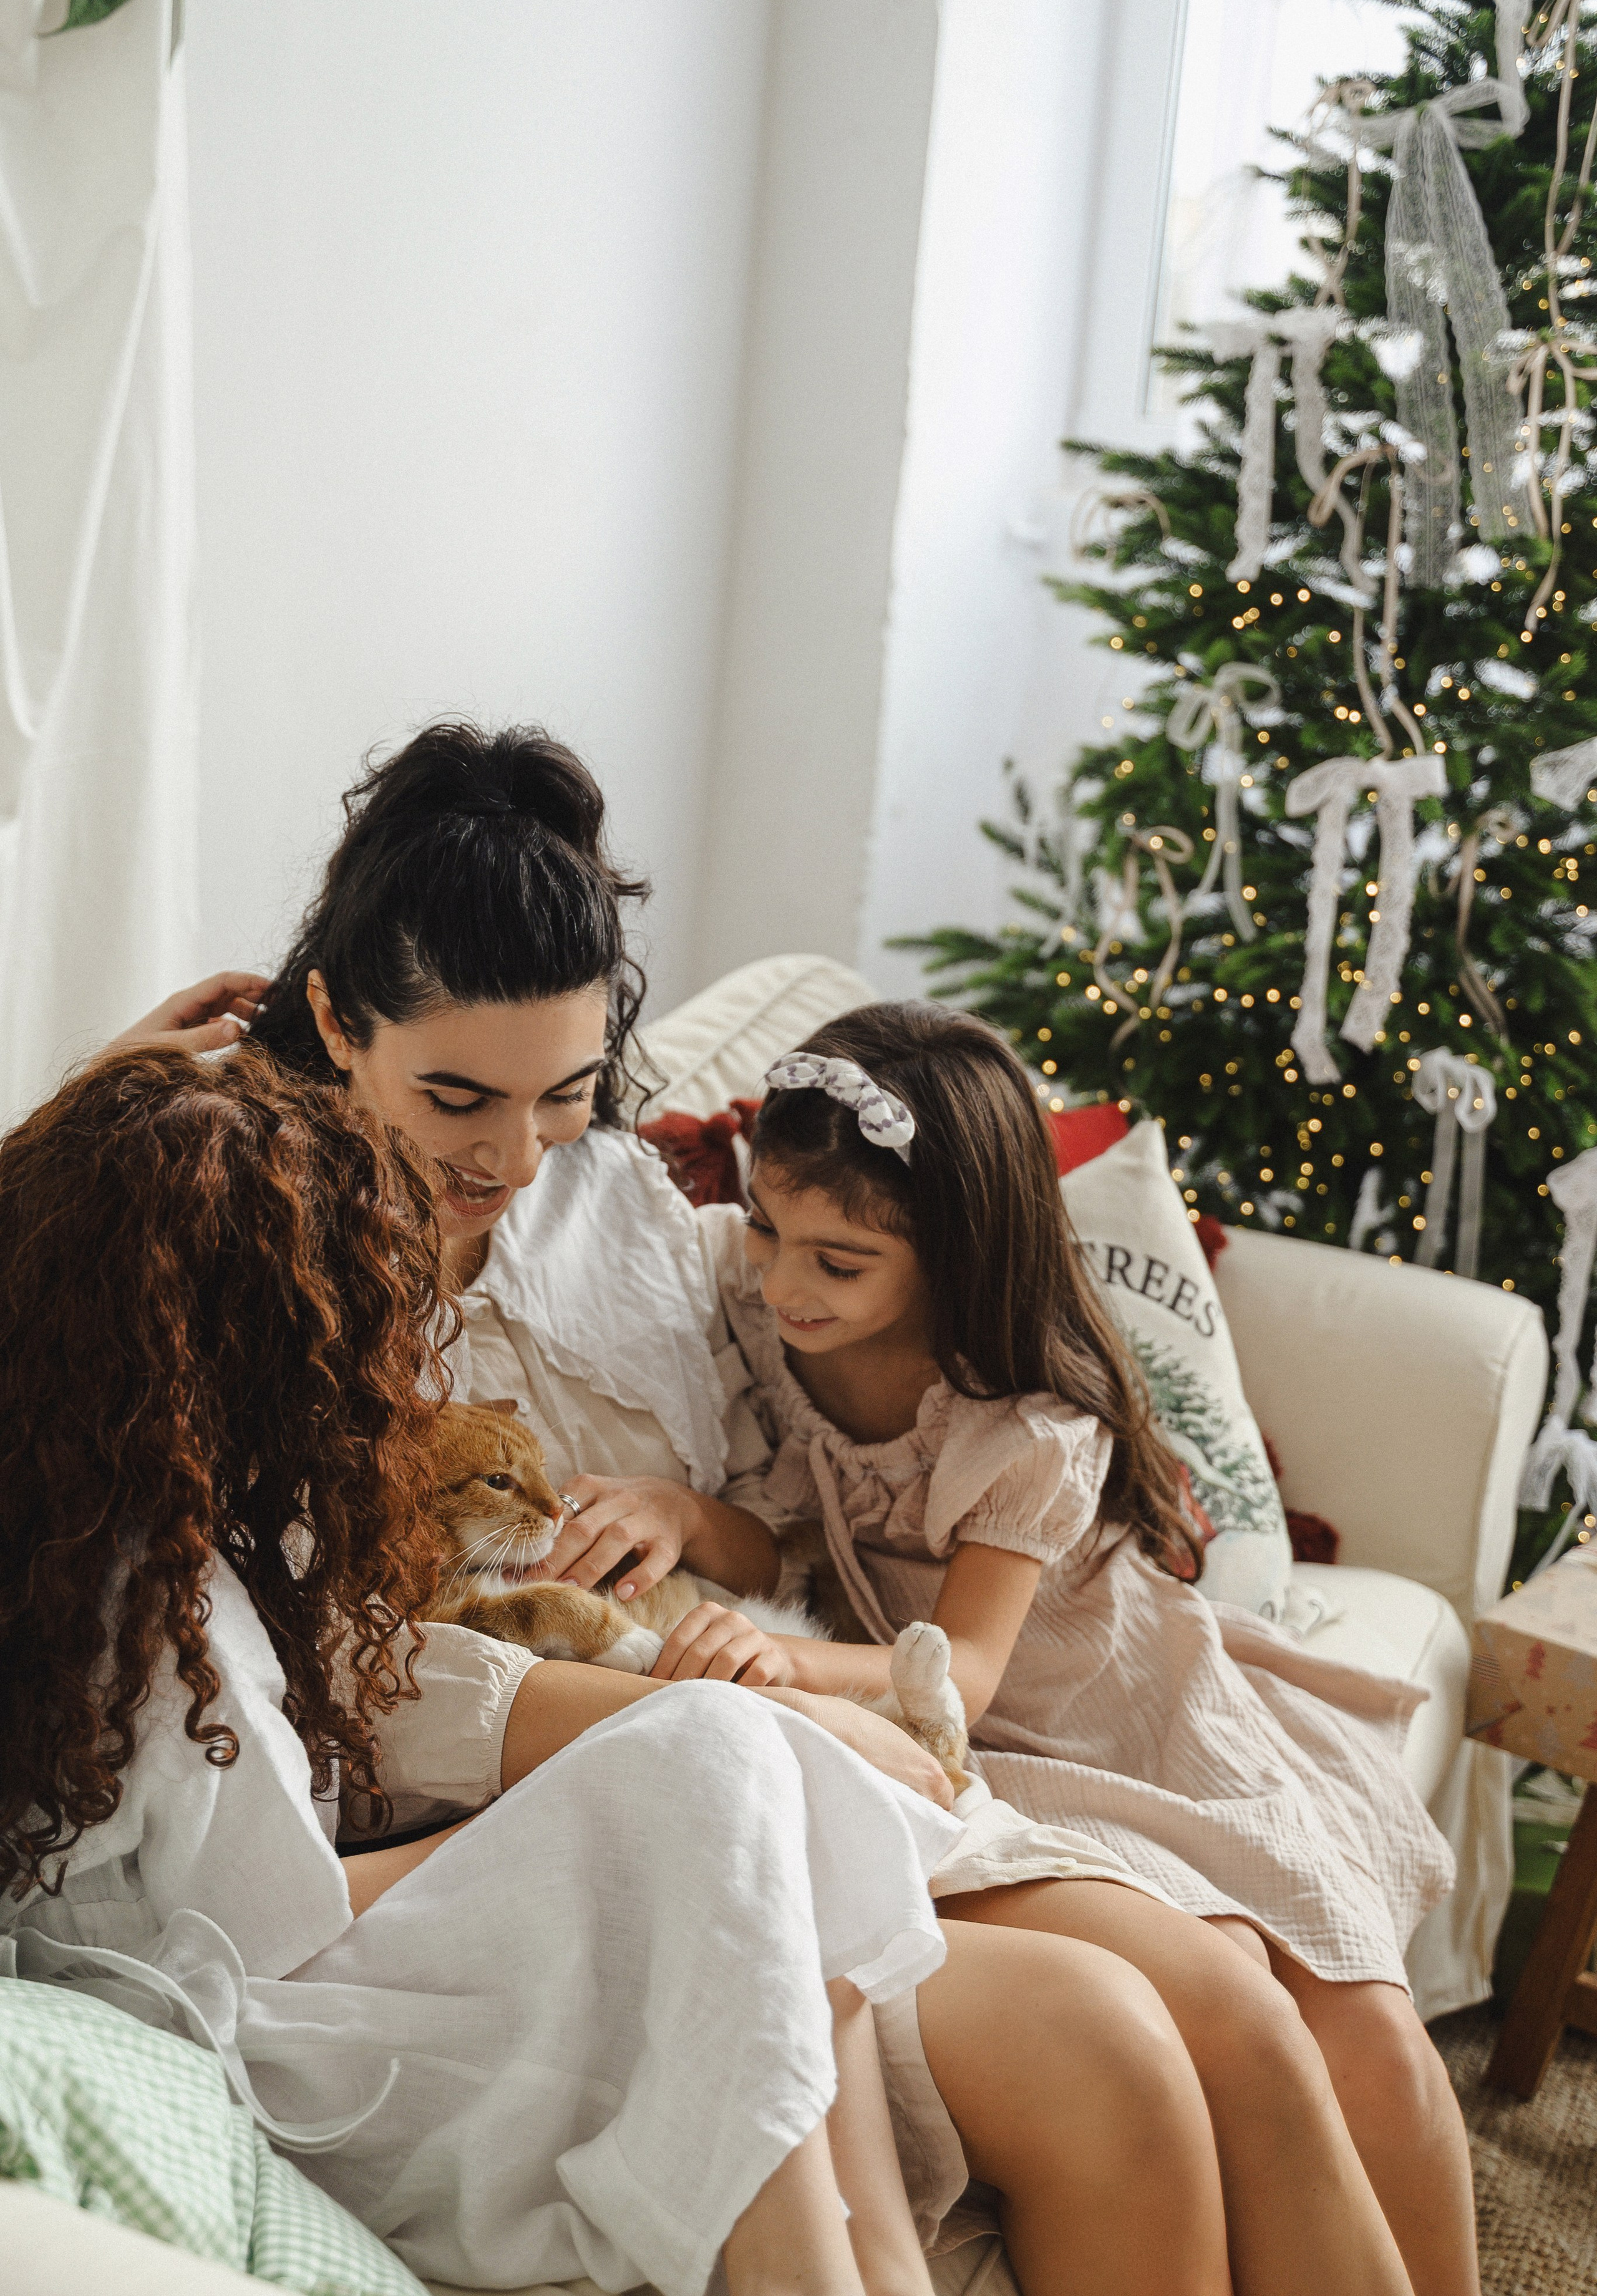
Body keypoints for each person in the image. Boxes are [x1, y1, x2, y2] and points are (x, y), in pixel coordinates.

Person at [133, 719, 1416, 2290]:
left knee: (1242, 2015)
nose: (512, 1158)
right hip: (583, 1804)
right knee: (1115, 2044)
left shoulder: (626, 1215)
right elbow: (291, 1656)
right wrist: (93, 1108)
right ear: (337, 1018)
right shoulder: (241, 1246)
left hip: (762, 1716)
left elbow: (784, 1517)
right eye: (458, 1096)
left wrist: (690, 1520)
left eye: (562, 1095)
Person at [0, 1045, 1241, 2296]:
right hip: (283, 2026)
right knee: (703, 1765)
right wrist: (589, 1818)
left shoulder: (145, 1532)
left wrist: (628, 1790)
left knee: (725, 1791)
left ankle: (839, 2255)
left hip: (291, 1957)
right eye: (339, 1338)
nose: (368, 1385)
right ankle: (817, 2261)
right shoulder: (161, 1603)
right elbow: (269, 1932)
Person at [631, 1002, 1477, 2296]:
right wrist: (686, 1517)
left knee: (1364, 2034)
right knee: (1232, 1994)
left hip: (1114, 1714)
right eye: (765, 1230)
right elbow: (786, 1535)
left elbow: (965, 1673)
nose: (783, 1282)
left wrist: (782, 1661)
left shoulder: (1021, 1424)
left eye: (838, 1261)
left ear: (953, 1256)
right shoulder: (762, 1314)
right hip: (975, 1746)